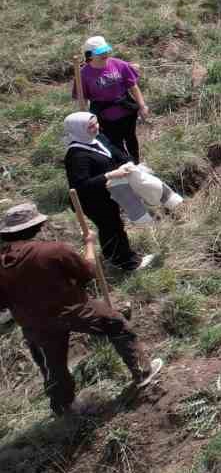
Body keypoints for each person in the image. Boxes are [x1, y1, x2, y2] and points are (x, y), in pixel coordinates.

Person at [0, 202, 163, 417]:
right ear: (38, 226)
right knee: (116, 323)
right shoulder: (54, 250)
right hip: (73, 310)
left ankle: (64, 408)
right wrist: (89, 244)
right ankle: (143, 373)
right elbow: (88, 273)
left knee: (52, 366)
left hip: (34, 324)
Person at [61, 113, 152, 272]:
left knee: (115, 224)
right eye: (90, 126)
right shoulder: (76, 155)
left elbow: (115, 153)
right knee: (110, 227)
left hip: (108, 193)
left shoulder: (98, 139)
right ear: (78, 129)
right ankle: (125, 264)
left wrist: (128, 162)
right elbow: (81, 186)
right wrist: (110, 175)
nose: (95, 127)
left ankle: (118, 257)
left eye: (96, 123)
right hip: (93, 200)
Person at [73, 36, 150, 164]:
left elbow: (133, 86)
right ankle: (126, 165)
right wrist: (85, 117)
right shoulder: (83, 75)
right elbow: (83, 99)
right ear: (89, 56)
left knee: (131, 138)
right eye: (100, 53)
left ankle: (136, 163)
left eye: (106, 51)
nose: (105, 54)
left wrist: (142, 106)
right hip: (105, 117)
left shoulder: (119, 64)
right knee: (114, 143)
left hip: (126, 111)